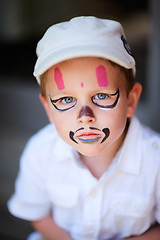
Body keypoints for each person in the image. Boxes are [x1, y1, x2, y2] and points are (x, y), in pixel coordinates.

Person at [8, 16, 160, 240]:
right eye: (66, 100)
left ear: (130, 101)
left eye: (101, 96)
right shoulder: (40, 152)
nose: (84, 117)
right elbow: (38, 214)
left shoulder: (155, 160)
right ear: (48, 109)